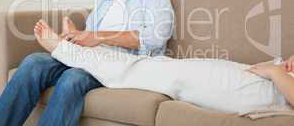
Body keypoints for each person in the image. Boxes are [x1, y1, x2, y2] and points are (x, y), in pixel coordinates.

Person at [0, 0, 174, 126]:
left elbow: (157, 37)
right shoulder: (104, 3)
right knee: (34, 62)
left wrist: (98, 37)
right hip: (89, 57)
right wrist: (75, 37)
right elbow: (90, 38)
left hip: (120, 64)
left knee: (72, 78)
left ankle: (61, 48)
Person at [31, 20, 294, 115]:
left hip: (261, 88)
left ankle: (66, 50)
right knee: (162, 67)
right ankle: (75, 47)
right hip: (256, 75)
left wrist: (275, 72)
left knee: (157, 73)